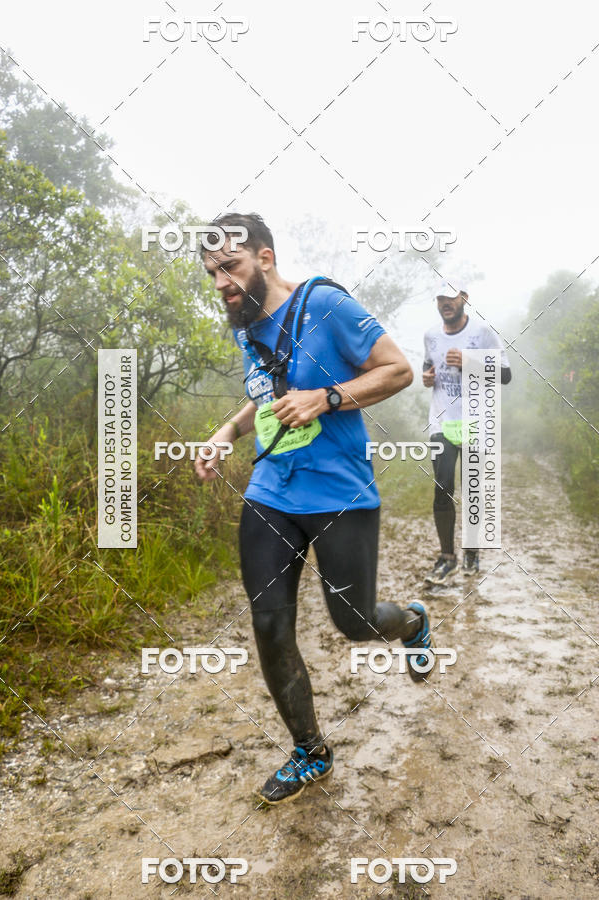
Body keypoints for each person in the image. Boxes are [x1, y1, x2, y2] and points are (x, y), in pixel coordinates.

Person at [195, 212, 433, 804]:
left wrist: (326, 398)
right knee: (269, 623)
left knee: (354, 623)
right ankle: (310, 751)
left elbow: (398, 370)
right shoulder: (246, 323)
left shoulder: (325, 305)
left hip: (339, 494)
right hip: (271, 491)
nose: (222, 282)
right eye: (212, 272)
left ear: (265, 258)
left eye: (230, 266)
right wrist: (226, 432)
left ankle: (413, 622)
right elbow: (266, 394)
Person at [422, 281, 512, 585]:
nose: (445, 303)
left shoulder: (482, 332)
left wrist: (471, 363)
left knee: (473, 490)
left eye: (451, 297)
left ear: (464, 298)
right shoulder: (431, 335)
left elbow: (506, 374)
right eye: (440, 298)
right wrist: (426, 377)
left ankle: (472, 551)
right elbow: (428, 366)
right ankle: (447, 558)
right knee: (442, 487)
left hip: (477, 422)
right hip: (442, 423)